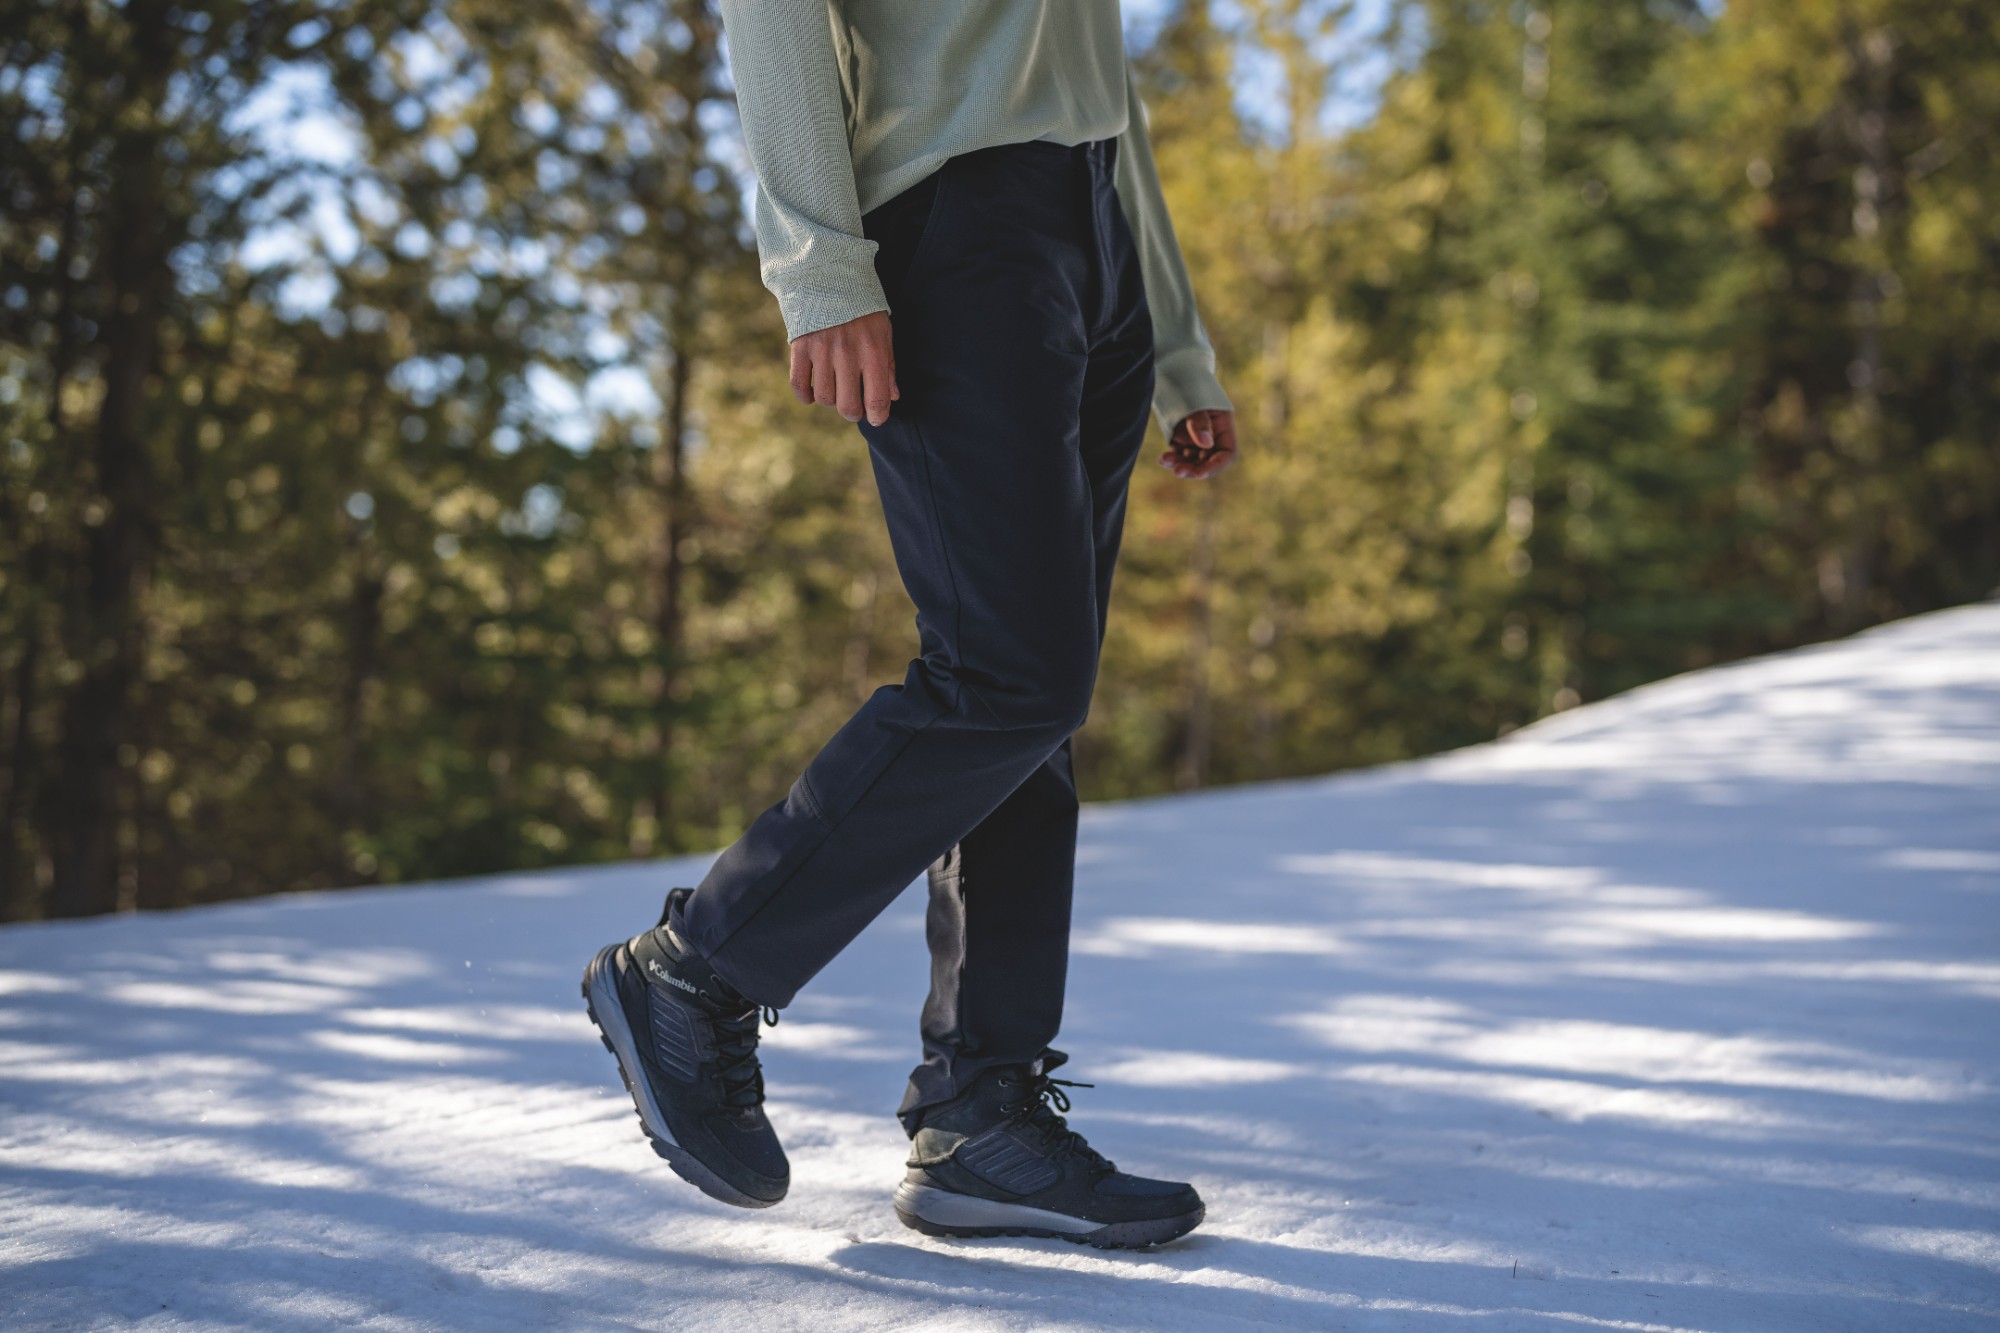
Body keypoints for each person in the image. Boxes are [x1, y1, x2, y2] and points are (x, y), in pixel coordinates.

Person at [582, 0, 1238, 1249]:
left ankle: (979, 1113)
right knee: (1007, 675)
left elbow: (1091, 68)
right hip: (953, 212)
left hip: (1093, 228)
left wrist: (1172, 342)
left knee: (1033, 711)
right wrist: (818, 264)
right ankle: (697, 966)